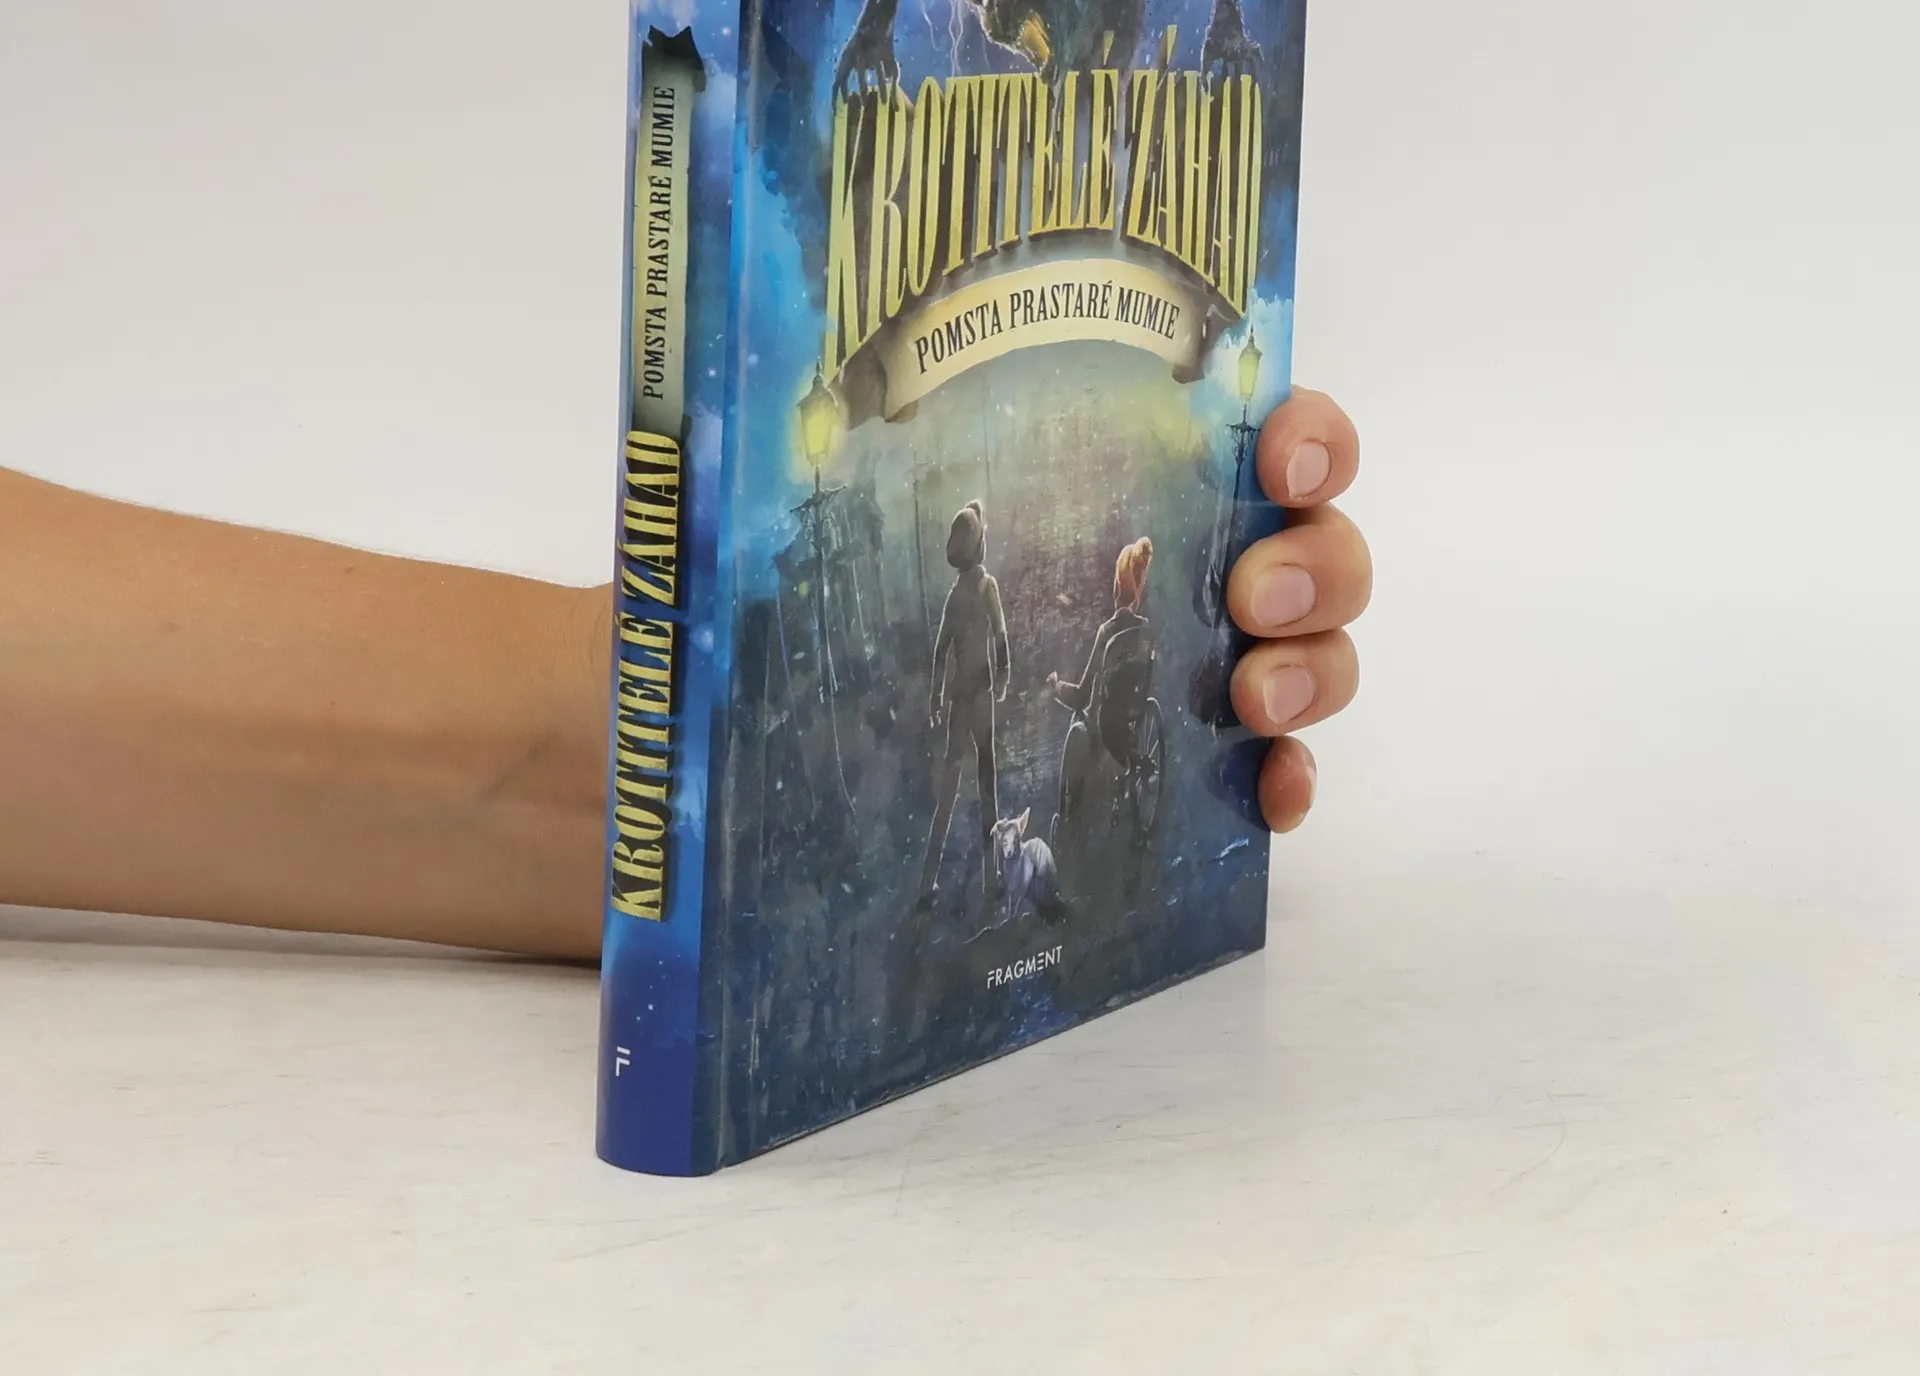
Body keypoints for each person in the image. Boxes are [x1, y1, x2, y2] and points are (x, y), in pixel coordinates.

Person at [0, 390, 1369, 961]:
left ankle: (964, 880)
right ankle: (944, 882)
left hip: (914, 740)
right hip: (941, 727)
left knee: (982, 805)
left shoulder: (997, 601)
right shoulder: (979, 596)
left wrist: (648, 748)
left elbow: (1003, 653)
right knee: (965, 808)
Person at [918, 499, 1010, 908]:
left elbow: (940, 653)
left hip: (959, 701)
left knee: (948, 792)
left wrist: (936, 699)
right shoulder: (987, 586)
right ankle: (992, 877)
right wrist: (1003, 676)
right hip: (982, 698)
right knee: (988, 786)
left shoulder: (954, 596)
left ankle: (927, 884)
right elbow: (1001, 636)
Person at [1049, 534, 1157, 842]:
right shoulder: (1144, 630)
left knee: (1077, 725)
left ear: (1115, 587)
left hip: (1106, 726)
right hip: (1133, 716)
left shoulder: (1107, 632)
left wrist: (1057, 688)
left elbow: (1082, 695)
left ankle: (1069, 814)